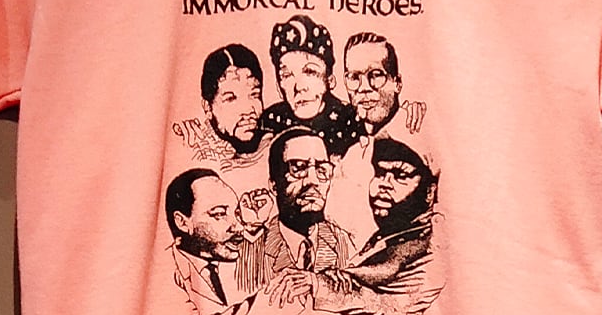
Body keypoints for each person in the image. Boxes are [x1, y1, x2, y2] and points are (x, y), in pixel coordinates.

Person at [289, 138, 442, 315]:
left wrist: (317, 284)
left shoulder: (434, 246)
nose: (384, 184)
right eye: (380, 173)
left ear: (430, 193)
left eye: (400, 175)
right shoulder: (385, 238)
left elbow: (395, 306)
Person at [328, 32, 428, 241]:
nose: (364, 88)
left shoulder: (417, 131)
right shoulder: (351, 151)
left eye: (375, 75)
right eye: (354, 78)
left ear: (397, 82)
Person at [258, 129, 354, 288]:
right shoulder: (256, 248)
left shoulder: (343, 243)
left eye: (322, 169)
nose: (312, 180)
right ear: (274, 185)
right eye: (298, 168)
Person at [164, 168, 260, 315]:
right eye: (219, 214)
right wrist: (268, 300)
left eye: (236, 213)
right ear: (182, 222)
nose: (238, 226)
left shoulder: (238, 263)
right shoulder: (165, 274)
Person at [259, 14, 360, 156]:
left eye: (310, 72)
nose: (299, 87)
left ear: (330, 80)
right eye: (287, 75)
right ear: (279, 87)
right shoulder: (272, 120)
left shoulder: (348, 120)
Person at [172, 43, 270, 169]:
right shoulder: (196, 148)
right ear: (208, 107)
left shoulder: (272, 144)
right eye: (231, 98)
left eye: (254, 94)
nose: (248, 110)